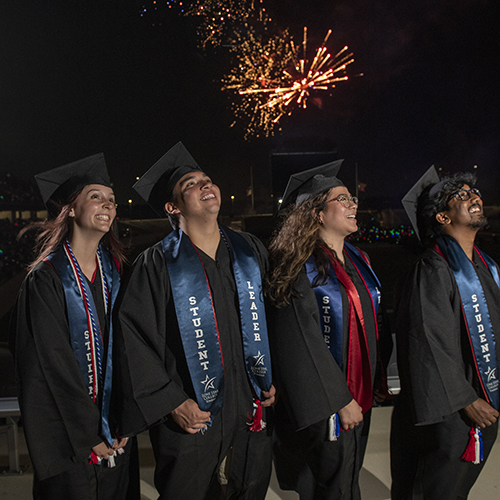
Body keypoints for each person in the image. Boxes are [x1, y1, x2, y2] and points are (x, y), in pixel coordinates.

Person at [116, 141, 275, 500]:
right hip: (192, 419)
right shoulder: (155, 264)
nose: (205, 185)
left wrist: (269, 374)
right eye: (191, 184)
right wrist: (171, 402)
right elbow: (134, 340)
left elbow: (271, 319)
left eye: (207, 179)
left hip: (249, 413)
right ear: (172, 207)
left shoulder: (249, 251)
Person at [9, 154, 139, 499]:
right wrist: (89, 432)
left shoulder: (116, 273)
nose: (107, 205)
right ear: (69, 210)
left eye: (111, 200)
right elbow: (50, 366)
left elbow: (129, 351)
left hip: (117, 436)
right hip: (70, 440)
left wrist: (124, 419)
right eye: (95, 196)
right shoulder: (46, 279)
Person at [266, 161, 389, 500]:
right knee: (333, 486)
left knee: (347, 480)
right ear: (317, 213)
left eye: (352, 198)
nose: (353, 205)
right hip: (328, 403)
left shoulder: (358, 259)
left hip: (359, 394)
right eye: (342, 199)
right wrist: (339, 399)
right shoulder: (298, 266)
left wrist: (373, 382)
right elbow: (300, 342)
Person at [391, 167, 500, 499]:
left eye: (473, 192)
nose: (474, 197)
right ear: (441, 216)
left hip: (484, 402)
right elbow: (428, 341)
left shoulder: (485, 266)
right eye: (461, 195)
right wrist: (467, 400)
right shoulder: (433, 269)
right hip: (451, 412)